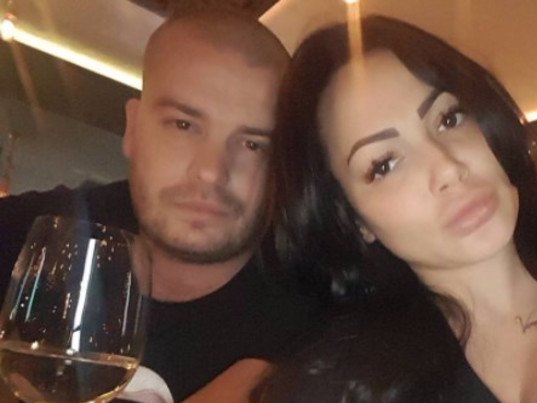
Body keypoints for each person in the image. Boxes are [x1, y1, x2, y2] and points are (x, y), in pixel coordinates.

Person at [0, 10, 318, 403]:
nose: (211, 172)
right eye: (183, 125)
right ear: (133, 129)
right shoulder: (32, 236)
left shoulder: (318, 329)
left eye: (253, 144)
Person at [254, 15, 537, 403]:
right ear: (354, 219)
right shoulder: (340, 391)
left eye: (448, 119)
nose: (448, 167)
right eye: (384, 165)